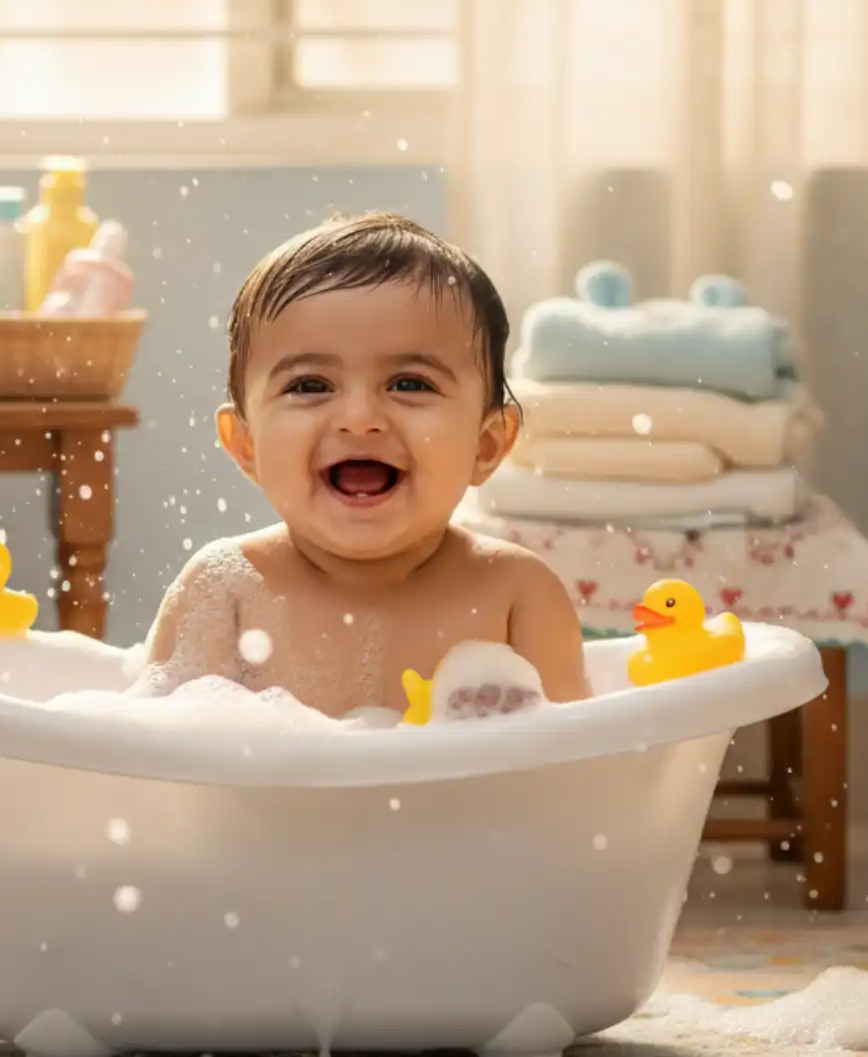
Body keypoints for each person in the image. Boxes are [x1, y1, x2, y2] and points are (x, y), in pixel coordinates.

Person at [142, 212, 590, 719]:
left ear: (486, 446)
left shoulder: (517, 595)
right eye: (310, 385)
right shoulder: (224, 591)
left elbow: (572, 769)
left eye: (410, 383)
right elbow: (163, 766)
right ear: (245, 445)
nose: (359, 419)